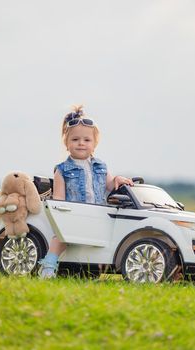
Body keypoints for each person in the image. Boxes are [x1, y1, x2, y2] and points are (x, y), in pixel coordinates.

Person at [38, 105, 133, 278]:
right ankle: (49, 264)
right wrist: (62, 215)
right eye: (75, 139)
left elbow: (111, 185)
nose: (81, 143)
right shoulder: (62, 170)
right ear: (66, 143)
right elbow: (58, 197)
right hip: (74, 214)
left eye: (86, 140)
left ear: (94, 144)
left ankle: (89, 269)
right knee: (60, 238)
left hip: (97, 215)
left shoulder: (101, 166)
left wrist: (117, 180)